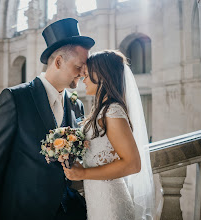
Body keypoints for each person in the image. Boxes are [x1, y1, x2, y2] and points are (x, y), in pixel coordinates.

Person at [0, 18, 94, 220]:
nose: (83, 74)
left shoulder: (77, 105)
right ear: (58, 62)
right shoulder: (15, 99)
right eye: (79, 66)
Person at [62, 50, 155, 220]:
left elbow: (133, 164)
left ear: (102, 76)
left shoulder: (112, 111)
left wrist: (83, 174)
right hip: (97, 199)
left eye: (88, 74)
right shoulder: (102, 109)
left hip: (111, 204)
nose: (84, 79)